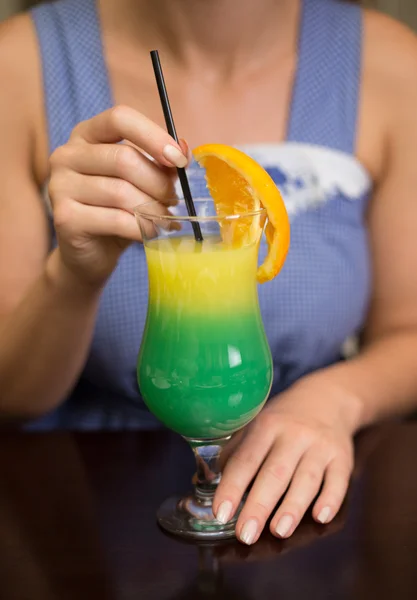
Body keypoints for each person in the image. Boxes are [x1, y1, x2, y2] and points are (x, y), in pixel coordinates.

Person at [1, 0, 417, 546]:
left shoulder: (392, 65)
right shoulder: (20, 64)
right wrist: (75, 275)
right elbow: (11, 394)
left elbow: (408, 328)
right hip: (87, 515)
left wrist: (334, 399)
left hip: (308, 504)